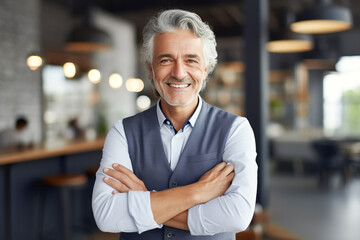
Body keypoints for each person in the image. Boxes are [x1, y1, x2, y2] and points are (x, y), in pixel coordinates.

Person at [92, 9, 258, 240]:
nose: (179, 73)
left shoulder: (236, 129)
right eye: (166, 60)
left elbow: (237, 216)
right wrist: (197, 192)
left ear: (206, 68)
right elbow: (106, 215)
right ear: (151, 68)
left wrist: (144, 198)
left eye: (191, 60)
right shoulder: (122, 132)